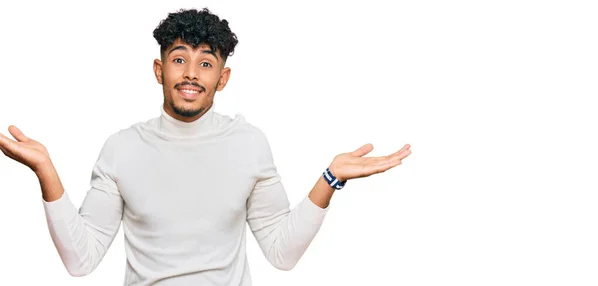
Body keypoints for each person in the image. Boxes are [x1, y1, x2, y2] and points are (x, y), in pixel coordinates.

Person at [0, 7, 412, 286]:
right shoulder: (122, 150)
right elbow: (81, 259)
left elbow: (282, 253)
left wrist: (330, 179)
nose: (191, 74)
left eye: (206, 62)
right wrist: (46, 172)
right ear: (159, 70)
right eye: (179, 59)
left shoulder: (248, 144)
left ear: (223, 77)